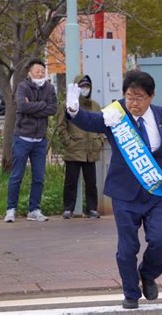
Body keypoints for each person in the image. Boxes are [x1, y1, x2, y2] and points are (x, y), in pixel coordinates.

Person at [65, 70, 162, 309]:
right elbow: (92, 121)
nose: (133, 103)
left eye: (139, 97)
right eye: (129, 96)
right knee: (127, 247)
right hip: (124, 192)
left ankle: (147, 274)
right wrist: (74, 110)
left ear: (151, 97)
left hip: (157, 190)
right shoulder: (117, 114)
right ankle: (130, 292)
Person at [4, 59, 57, 223]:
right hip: (22, 138)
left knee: (39, 177)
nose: (40, 73)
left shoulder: (49, 88)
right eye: (37, 71)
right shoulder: (23, 87)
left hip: (40, 140)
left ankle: (34, 209)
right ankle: (10, 209)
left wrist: (34, 105)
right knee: (16, 175)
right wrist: (42, 105)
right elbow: (22, 106)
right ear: (30, 73)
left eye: (42, 71)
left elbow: (53, 109)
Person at [57, 74, 103, 219]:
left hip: (91, 149)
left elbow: (102, 125)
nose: (85, 89)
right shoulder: (67, 105)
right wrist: (68, 142)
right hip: (74, 148)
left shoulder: (95, 105)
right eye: (82, 86)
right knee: (70, 181)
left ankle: (92, 208)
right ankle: (68, 208)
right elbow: (61, 126)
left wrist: (99, 141)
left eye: (87, 86)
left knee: (91, 182)